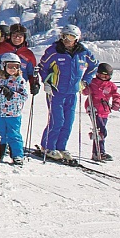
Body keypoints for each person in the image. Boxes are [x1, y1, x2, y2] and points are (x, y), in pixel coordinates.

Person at [38, 24, 98, 161]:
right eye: (63, 36)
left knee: (68, 122)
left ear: (76, 39)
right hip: (56, 91)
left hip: (72, 92)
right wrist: (46, 82)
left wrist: (85, 81)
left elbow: (93, 66)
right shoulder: (54, 51)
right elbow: (43, 67)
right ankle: (48, 146)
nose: (66, 39)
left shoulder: (83, 52)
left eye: (70, 37)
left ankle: (61, 147)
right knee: (57, 120)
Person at [0, 52, 30, 165]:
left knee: (13, 134)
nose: (13, 69)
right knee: (0, 133)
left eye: (16, 67)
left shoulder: (20, 80)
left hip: (13, 113)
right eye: (10, 66)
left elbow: (24, 96)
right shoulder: (0, 79)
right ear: (3, 66)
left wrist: (12, 94)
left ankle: (17, 155)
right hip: (1, 112)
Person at [83, 63, 120, 161]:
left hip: (104, 111)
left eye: (106, 76)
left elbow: (117, 95)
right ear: (97, 74)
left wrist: (116, 102)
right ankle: (100, 152)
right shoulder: (93, 83)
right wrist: (86, 89)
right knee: (101, 131)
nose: (103, 77)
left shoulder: (111, 85)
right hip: (93, 109)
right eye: (101, 75)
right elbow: (84, 91)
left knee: (99, 132)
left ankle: (96, 153)